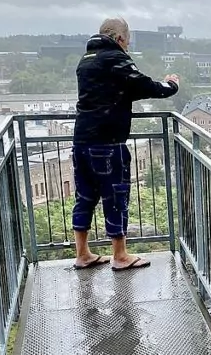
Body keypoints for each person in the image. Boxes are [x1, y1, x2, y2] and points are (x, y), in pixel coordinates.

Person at [70, 17, 180, 271]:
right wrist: (171, 85)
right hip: (107, 143)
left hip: (81, 141)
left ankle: (82, 254)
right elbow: (142, 84)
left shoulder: (86, 61)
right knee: (116, 196)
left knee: (84, 197)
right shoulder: (114, 58)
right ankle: (120, 255)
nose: (127, 47)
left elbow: (120, 88)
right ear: (119, 39)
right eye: (127, 42)